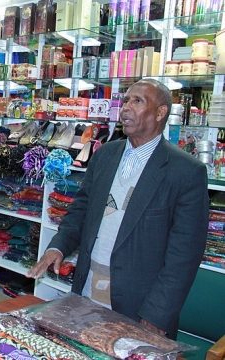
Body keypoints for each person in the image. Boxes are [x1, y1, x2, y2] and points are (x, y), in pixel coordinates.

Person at [27, 79, 209, 339]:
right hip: (87, 291)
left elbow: (185, 255)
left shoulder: (185, 171)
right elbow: (81, 210)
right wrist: (58, 246)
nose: (126, 108)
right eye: (125, 101)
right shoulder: (105, 155)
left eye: (137, 101)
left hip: (140, 307)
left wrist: (157, 313)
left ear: (160, 113)